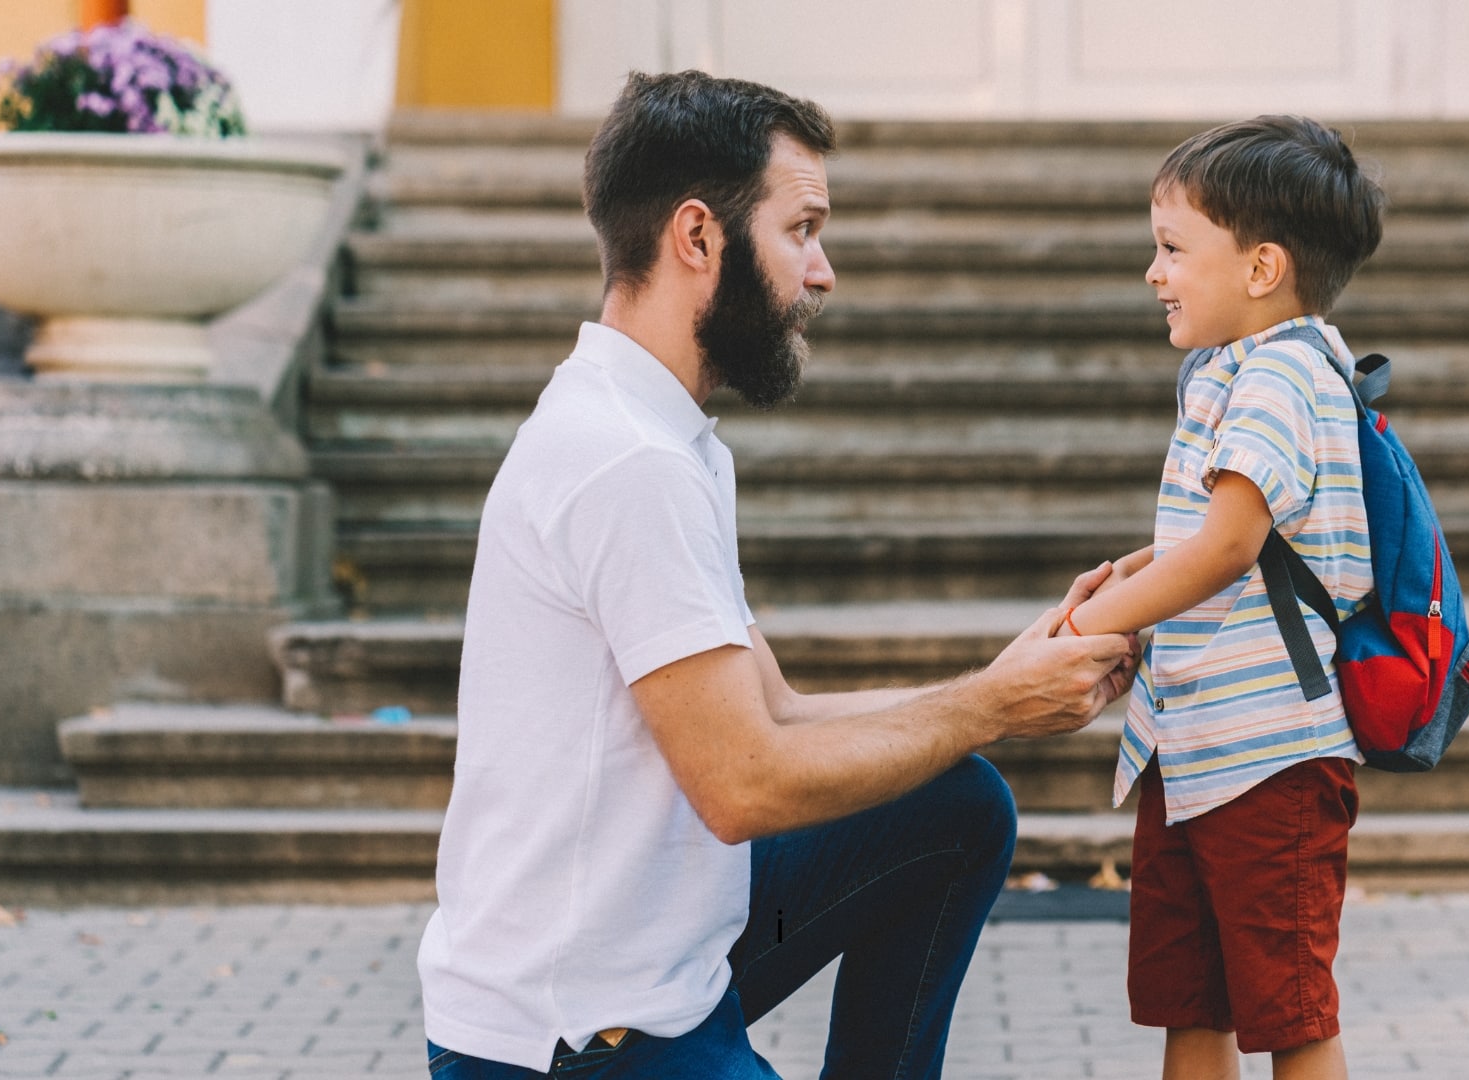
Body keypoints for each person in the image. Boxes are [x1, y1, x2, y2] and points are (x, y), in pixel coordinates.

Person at [416, 70, 1137, 1079]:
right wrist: (989, 706)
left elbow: (776, 716)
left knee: (955, 806)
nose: (824, 270)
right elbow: (743, 785)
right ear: (698, 238)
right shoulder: (631, 463)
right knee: (957, 763)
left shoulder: (662, 435)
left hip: (656, 962)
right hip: (577, 1037)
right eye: (802, 229)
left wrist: (997, 688)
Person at [1053, 116, 1384, 1080]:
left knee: (1290, 1014)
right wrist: (1128, 581)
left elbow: (1232, 546)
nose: (1154, 272)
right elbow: (1213, 540)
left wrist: (1089, 623)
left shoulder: (1285, 370)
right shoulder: (1235, 370)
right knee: (1188, 1005)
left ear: (1261, 268)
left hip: (1270, 757)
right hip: (1192, 748)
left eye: (1170, 248)